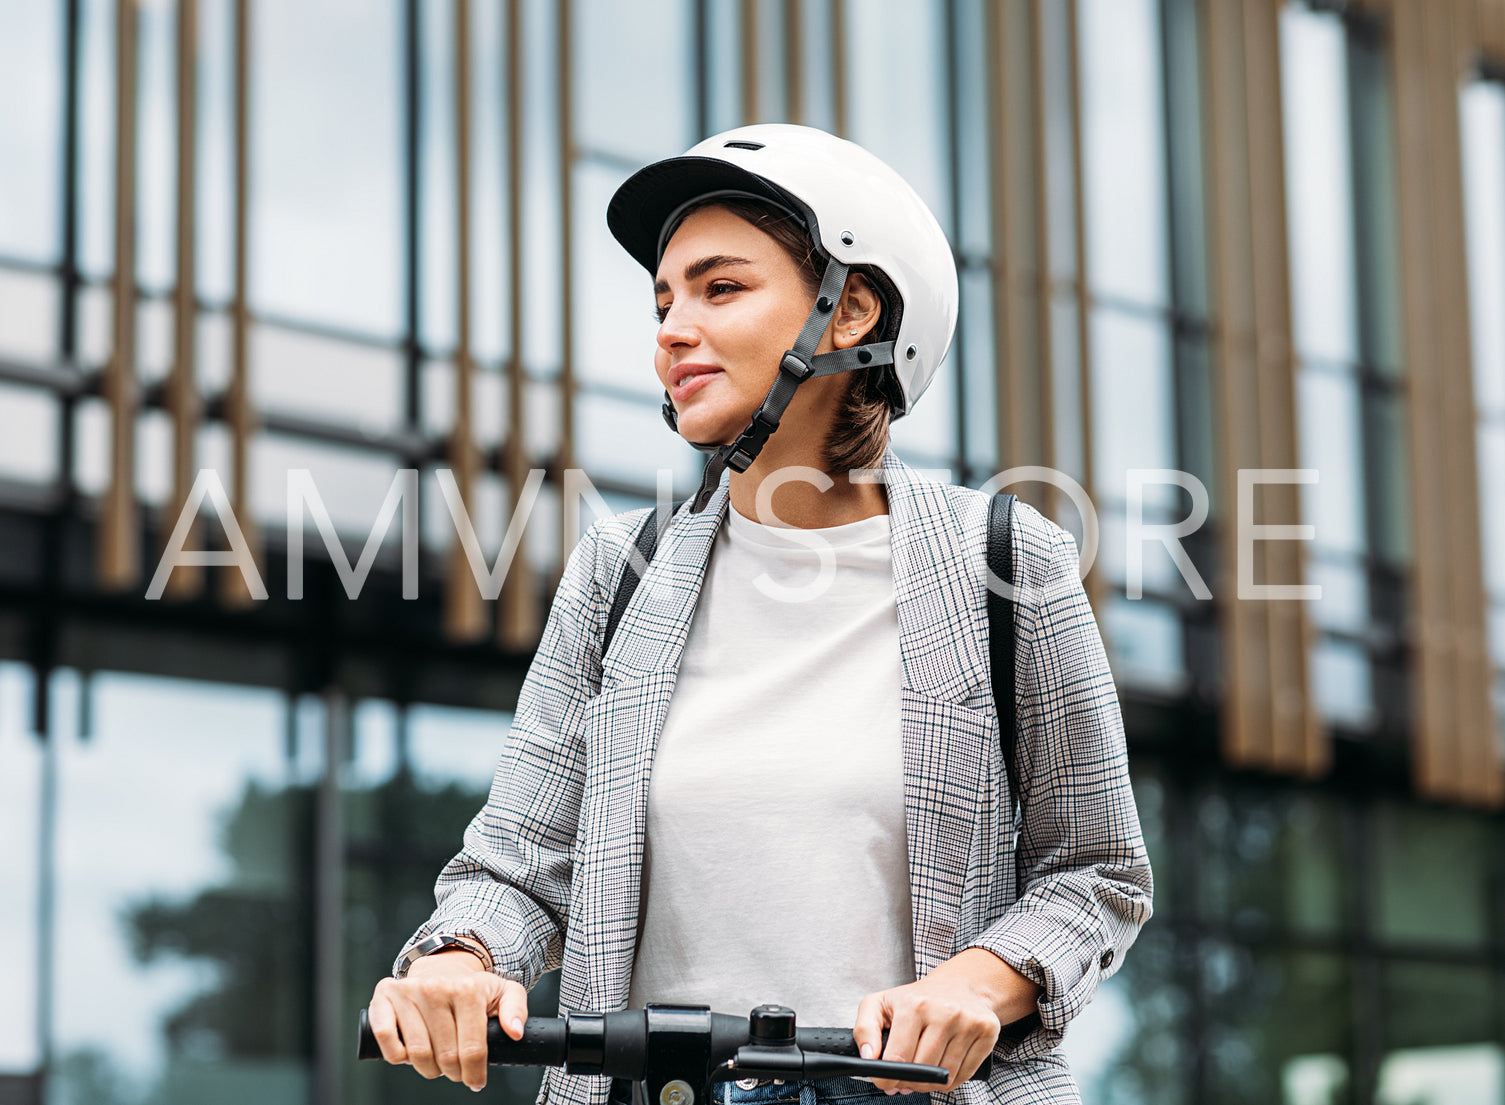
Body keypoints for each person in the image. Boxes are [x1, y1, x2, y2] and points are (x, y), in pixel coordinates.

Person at [367, 124, 1152, 1105]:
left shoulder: (1003, 563)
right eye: (662, 300)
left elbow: (1095, 871)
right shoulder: (619, 575)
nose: (669, 328)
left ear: (848, 308)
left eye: (719, 287)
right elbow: (518, 866)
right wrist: (457, 955)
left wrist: (979, 985)